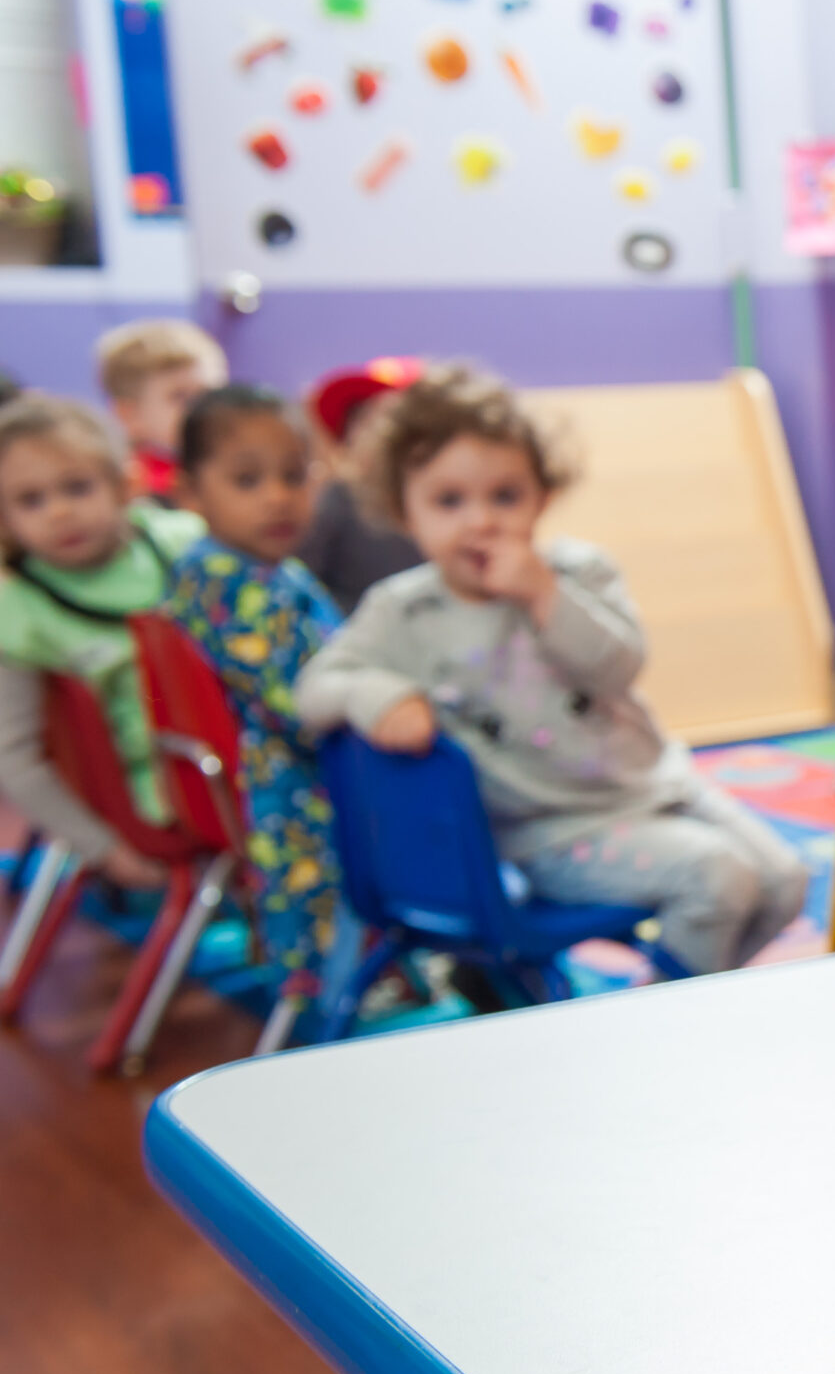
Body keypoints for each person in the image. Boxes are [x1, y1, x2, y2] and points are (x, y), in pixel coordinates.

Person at [294, 362, 807, 974]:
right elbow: (314, 688)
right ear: (406, 511)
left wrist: (545, 597)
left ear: (543, 495)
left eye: (505, 496)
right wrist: (375, 698)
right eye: (448, 500)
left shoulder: (579, 572)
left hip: (659, 786)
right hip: (553, 832)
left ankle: (678, 989)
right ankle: (671, 1027)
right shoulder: (404, 611)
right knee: (718, 879)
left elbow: (621, 667)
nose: (481, 520)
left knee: (783, 881)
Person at [164, 385, 345, 978]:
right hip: (291, 793)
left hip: (251, 789)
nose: (278, 498)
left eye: (295, 476)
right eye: (247, 481)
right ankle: (328, 988)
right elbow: (305, 708)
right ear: (190, 491)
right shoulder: (251, 588)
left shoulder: (206, 569)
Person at [0, 396, 201, 890]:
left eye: (77, 487)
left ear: (124, 483)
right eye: (31, 500)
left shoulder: (186, 542)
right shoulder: (17, 614)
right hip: (166, 802)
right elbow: (16, 760)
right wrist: (103, 849)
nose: (60, 512)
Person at [296, 356, 426, 613]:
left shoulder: (429, 497)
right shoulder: (339, 497)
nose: (372, 431)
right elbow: (303, 578)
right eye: (358, 421)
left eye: (384, 418)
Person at [94, 318, 225, 505]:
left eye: (209, 393)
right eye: (180, 396)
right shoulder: (134, 485)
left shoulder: (231, 465)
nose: (201, 405)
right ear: (130, 415)